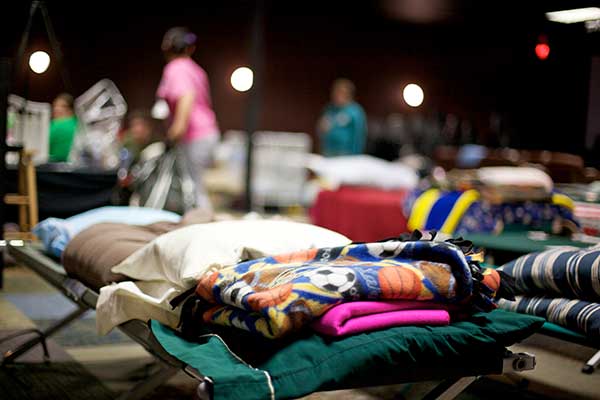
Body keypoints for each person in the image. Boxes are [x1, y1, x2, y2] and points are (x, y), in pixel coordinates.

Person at [156, 26, 219, 210]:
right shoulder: (195, 70)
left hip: (194, 136)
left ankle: (201, 229)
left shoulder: (176, 69)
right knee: (195, 186)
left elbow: (186, 96)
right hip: (207, 133)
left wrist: (176, 130)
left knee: (193, 189)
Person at [317, 79, 367, 157]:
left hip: (345, 152)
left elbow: (359, 135)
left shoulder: (355, 111)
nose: (337, 95)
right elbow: (321, 130)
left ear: (348, 94)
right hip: (328, 150)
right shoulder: (329, 109)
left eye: (341, 93)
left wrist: (355, 155)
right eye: (335, 92)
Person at [49, 93, 78, 162]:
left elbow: (41, 147)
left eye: (62, 106)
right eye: (55, 106)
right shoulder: (80, 124)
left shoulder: (57, 124)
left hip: (53, 168)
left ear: (71, 109)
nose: (56, 109)